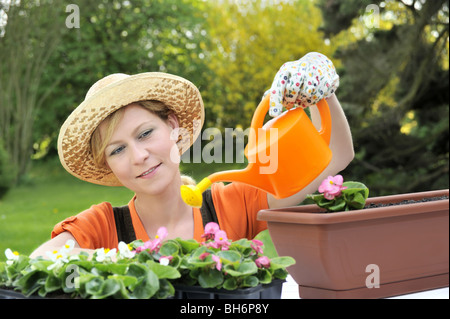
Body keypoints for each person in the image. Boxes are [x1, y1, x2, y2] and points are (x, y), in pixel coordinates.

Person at [30, 52, 354, 258]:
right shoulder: (102, 228)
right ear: (108, 165)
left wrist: (320, 91)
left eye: (145, 133)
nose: (139, 155)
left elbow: (335, 156)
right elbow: (32, 269)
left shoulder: (232, 205)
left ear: (173, 127)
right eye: (117, 150)